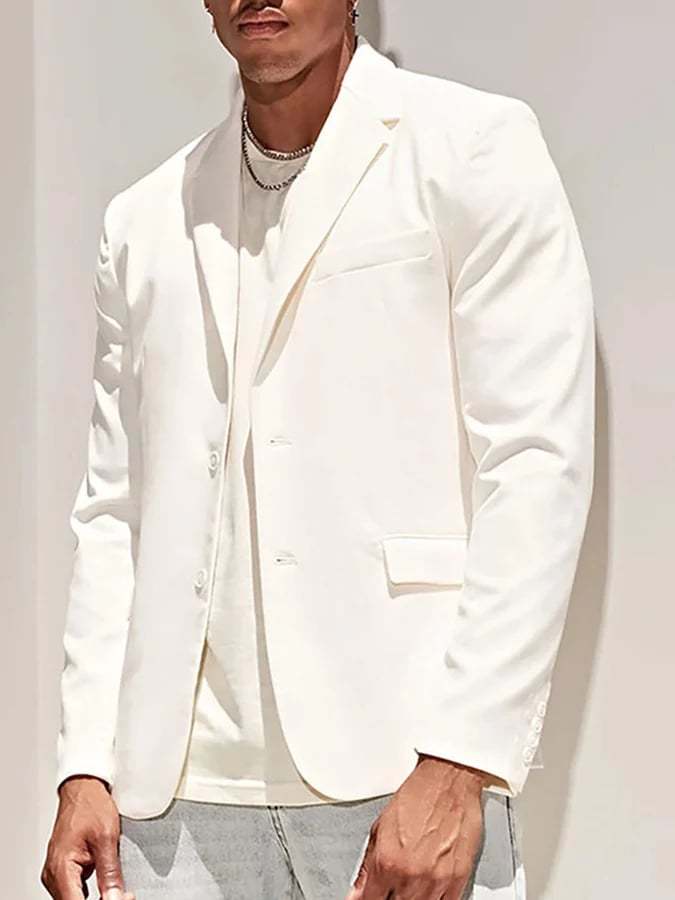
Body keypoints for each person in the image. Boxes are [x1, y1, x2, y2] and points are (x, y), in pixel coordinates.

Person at [41, 2, 595, 898]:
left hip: (399, 775)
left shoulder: (470, 150)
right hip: (171, 810)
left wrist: (461, 760)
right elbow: (114, 510)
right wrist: (86, 765)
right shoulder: (142, 220)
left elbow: (535, 467)